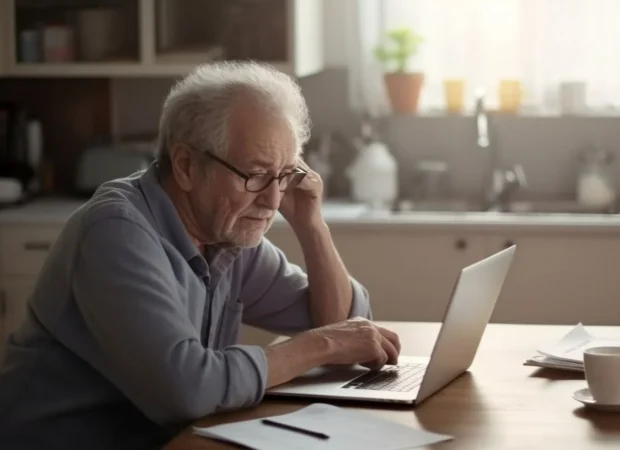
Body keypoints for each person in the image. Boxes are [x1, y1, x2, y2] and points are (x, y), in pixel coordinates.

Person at [0, 61, 401, 449]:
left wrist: (312, 225)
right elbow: (187, 389)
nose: (273, 199)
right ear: (187, 165)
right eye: (256, 174)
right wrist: (322, 346)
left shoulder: (225, 232)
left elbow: (340, 325)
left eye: (284, 175)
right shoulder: (115, 232)